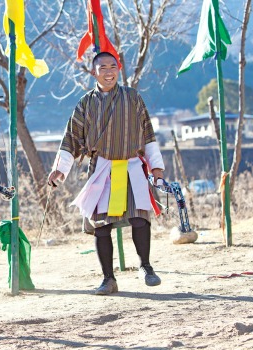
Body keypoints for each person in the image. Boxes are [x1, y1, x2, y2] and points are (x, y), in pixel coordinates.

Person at [47, 51, 165, 295]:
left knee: (139, 218)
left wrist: (156, 168)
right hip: (102, 168)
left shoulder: (133, 98)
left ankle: (146, 266)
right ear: (94, 72)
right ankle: (108, 279)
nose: (108, 71)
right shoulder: (85, 103)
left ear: (119, 69)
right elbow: (71, 138)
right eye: (103, 67)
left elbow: (148, 133)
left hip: (133, 165)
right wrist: (60, 170)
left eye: (113, 66)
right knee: (101, 226)